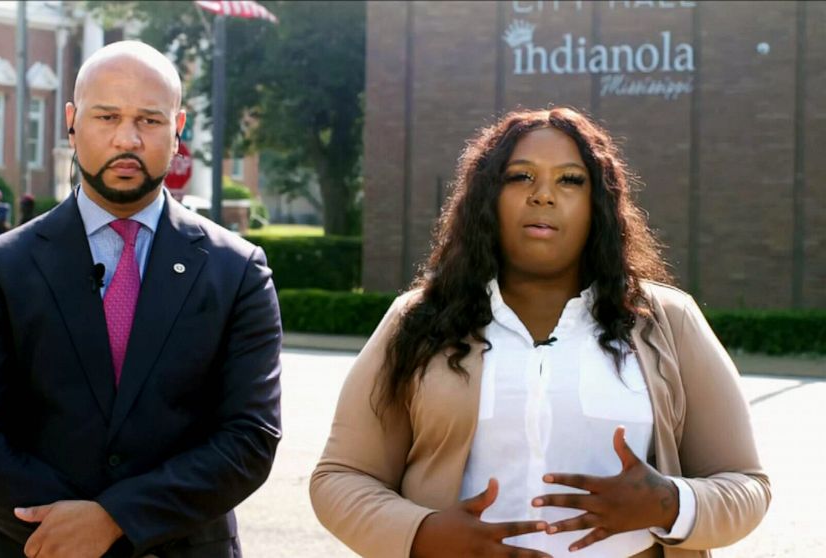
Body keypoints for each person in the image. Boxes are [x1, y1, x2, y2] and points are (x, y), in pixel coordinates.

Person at [310, 108, 769, 558]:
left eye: (570, 180)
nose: (543, 195)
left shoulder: (668, 321)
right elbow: (341, 477)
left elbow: (747, 484)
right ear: (487, 197)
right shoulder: (418, 320)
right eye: (520, 177)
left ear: (599, 205)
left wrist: (668, 503)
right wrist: (424, 535)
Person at [0, 40, 282, 558]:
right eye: (107, 117)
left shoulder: (237, 271)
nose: (128, 138)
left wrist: (116, 522)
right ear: (72, 122)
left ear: (178, 126)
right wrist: (69, 528)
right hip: (31, 546)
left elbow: (249, 438)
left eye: (148, 120)